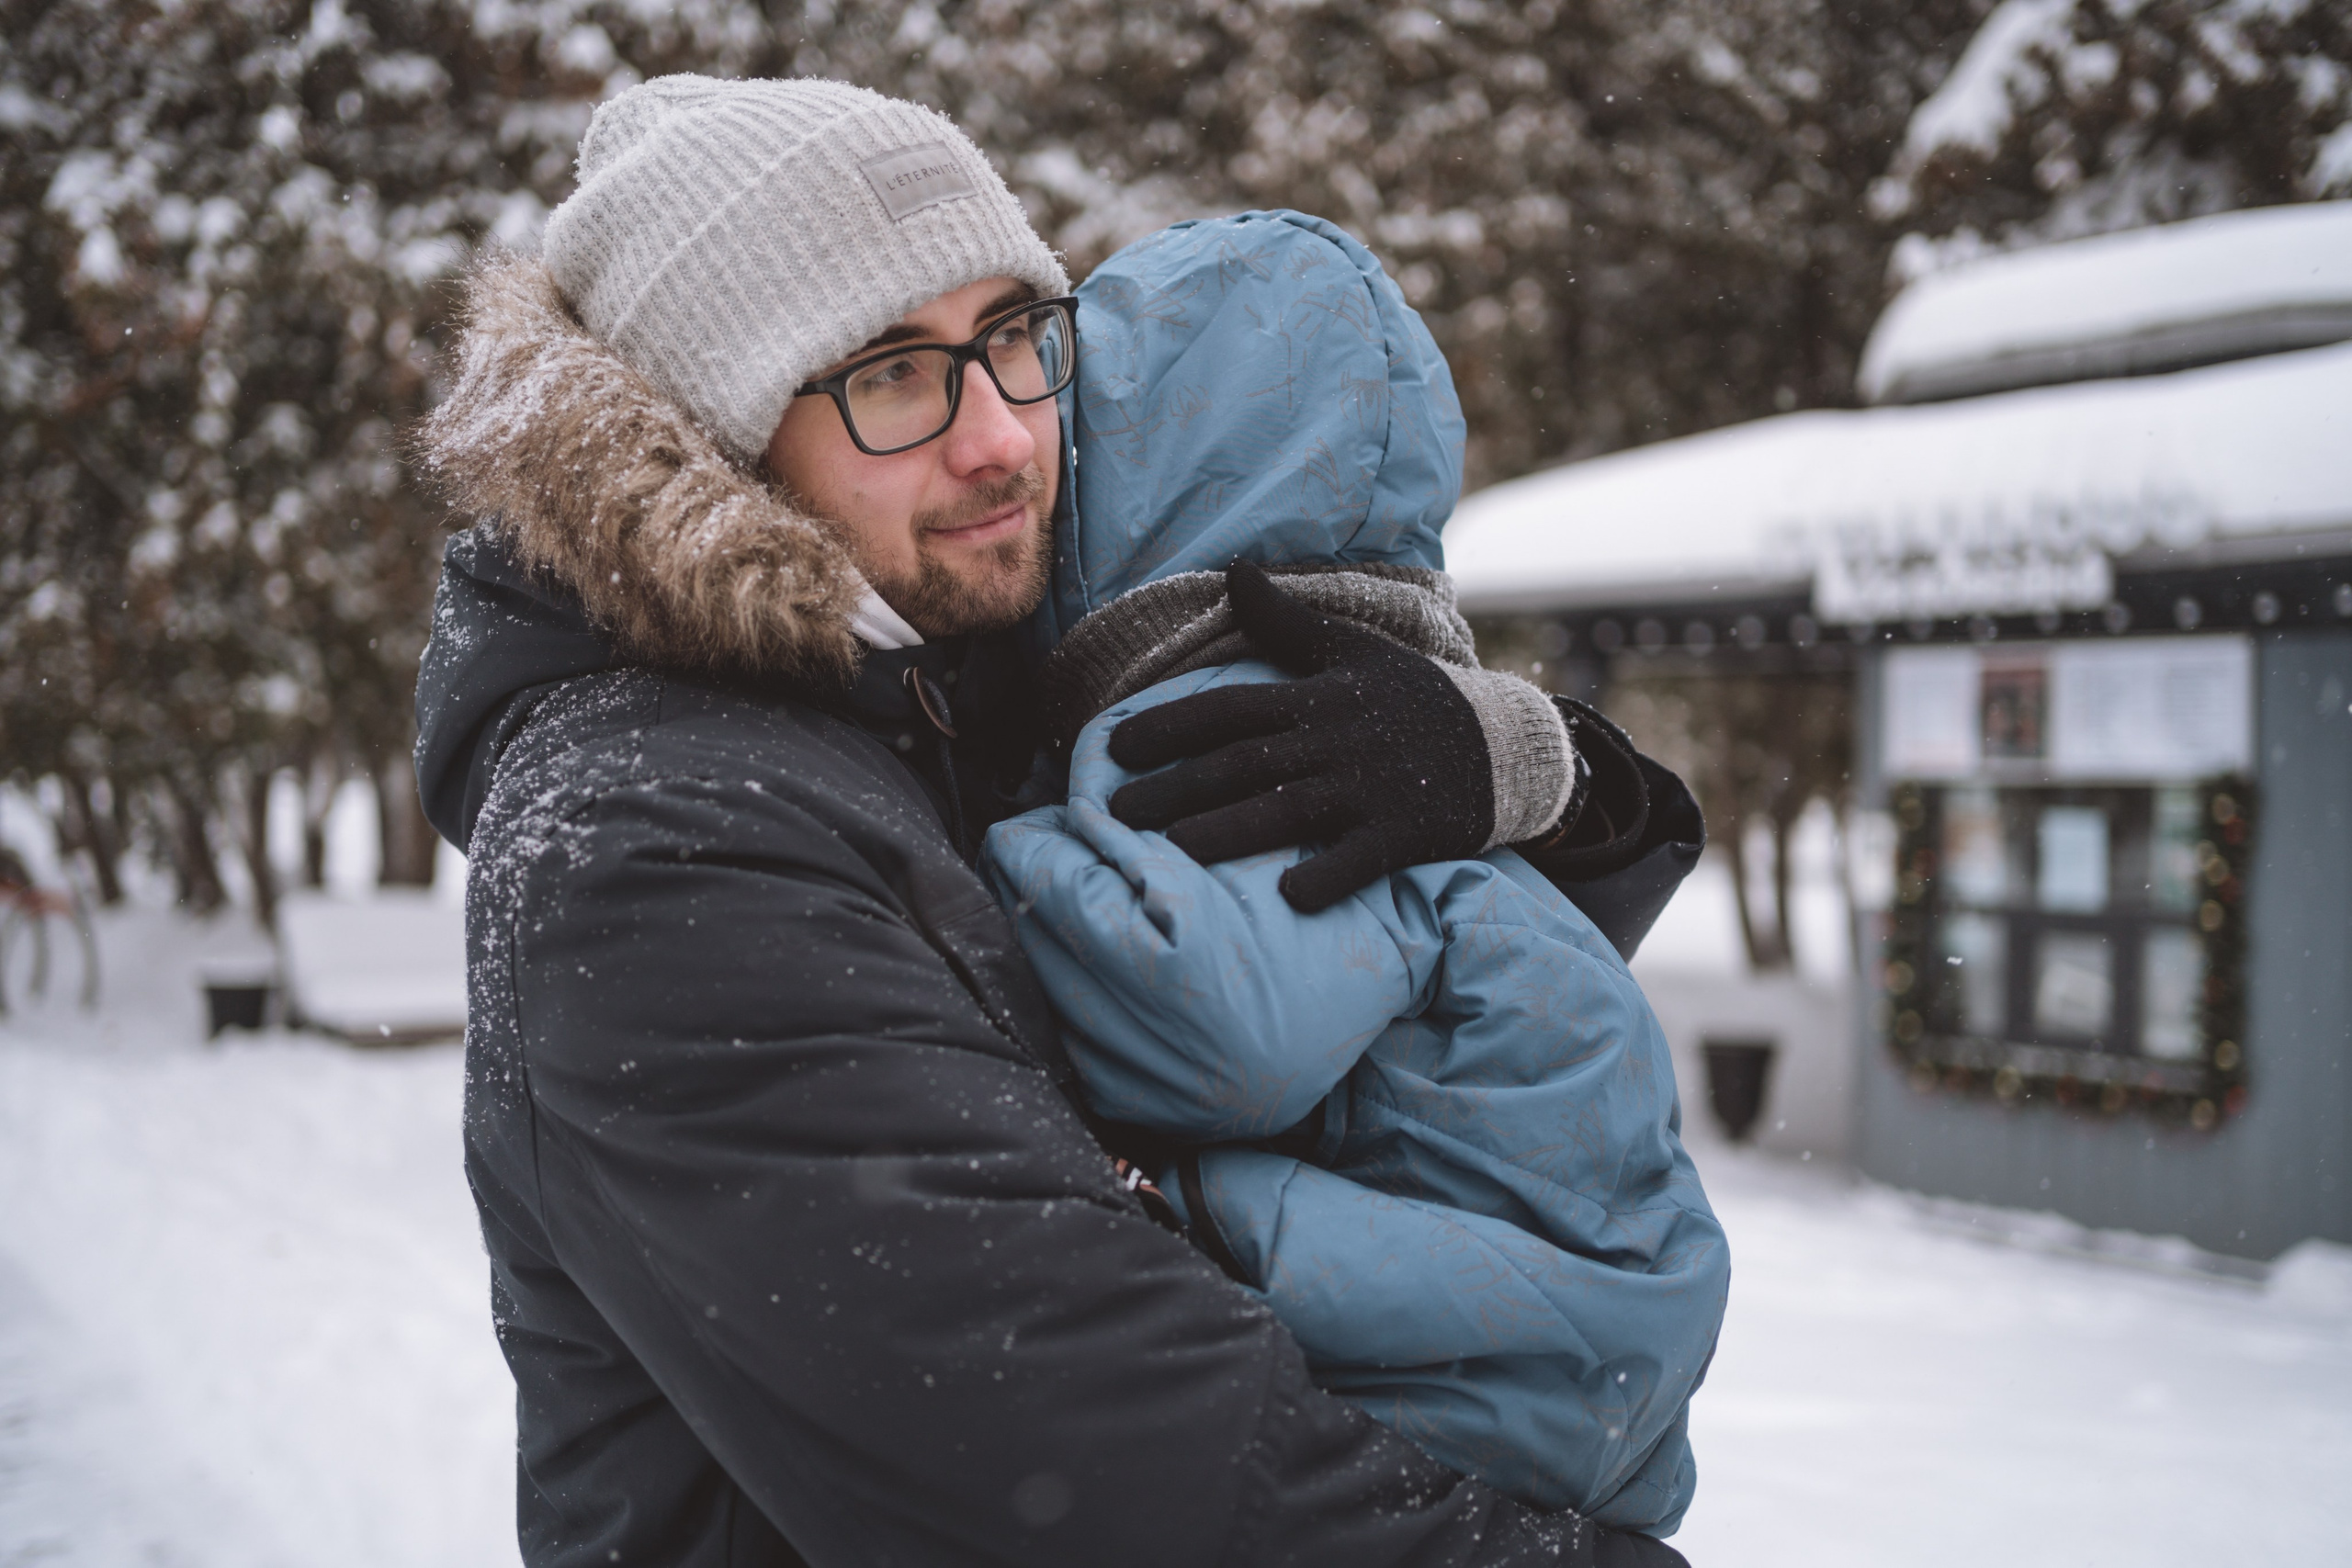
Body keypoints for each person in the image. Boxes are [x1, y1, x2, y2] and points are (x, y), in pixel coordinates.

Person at [412, 75, 1702, 1566]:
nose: (1001, 439)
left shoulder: (926, 689)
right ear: (712, 426)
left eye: (1014, 339)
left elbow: (1415, 1003)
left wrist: (1523, 772)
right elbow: (1105, 1467)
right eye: (892, 372)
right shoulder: (651, 843)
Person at [983, 210, 1726, 1537]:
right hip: (1572, 1352)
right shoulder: (1400, 710)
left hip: (1471, 1375)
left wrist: (994, 855)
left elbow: (1227, 1029)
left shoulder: (1229, 727)